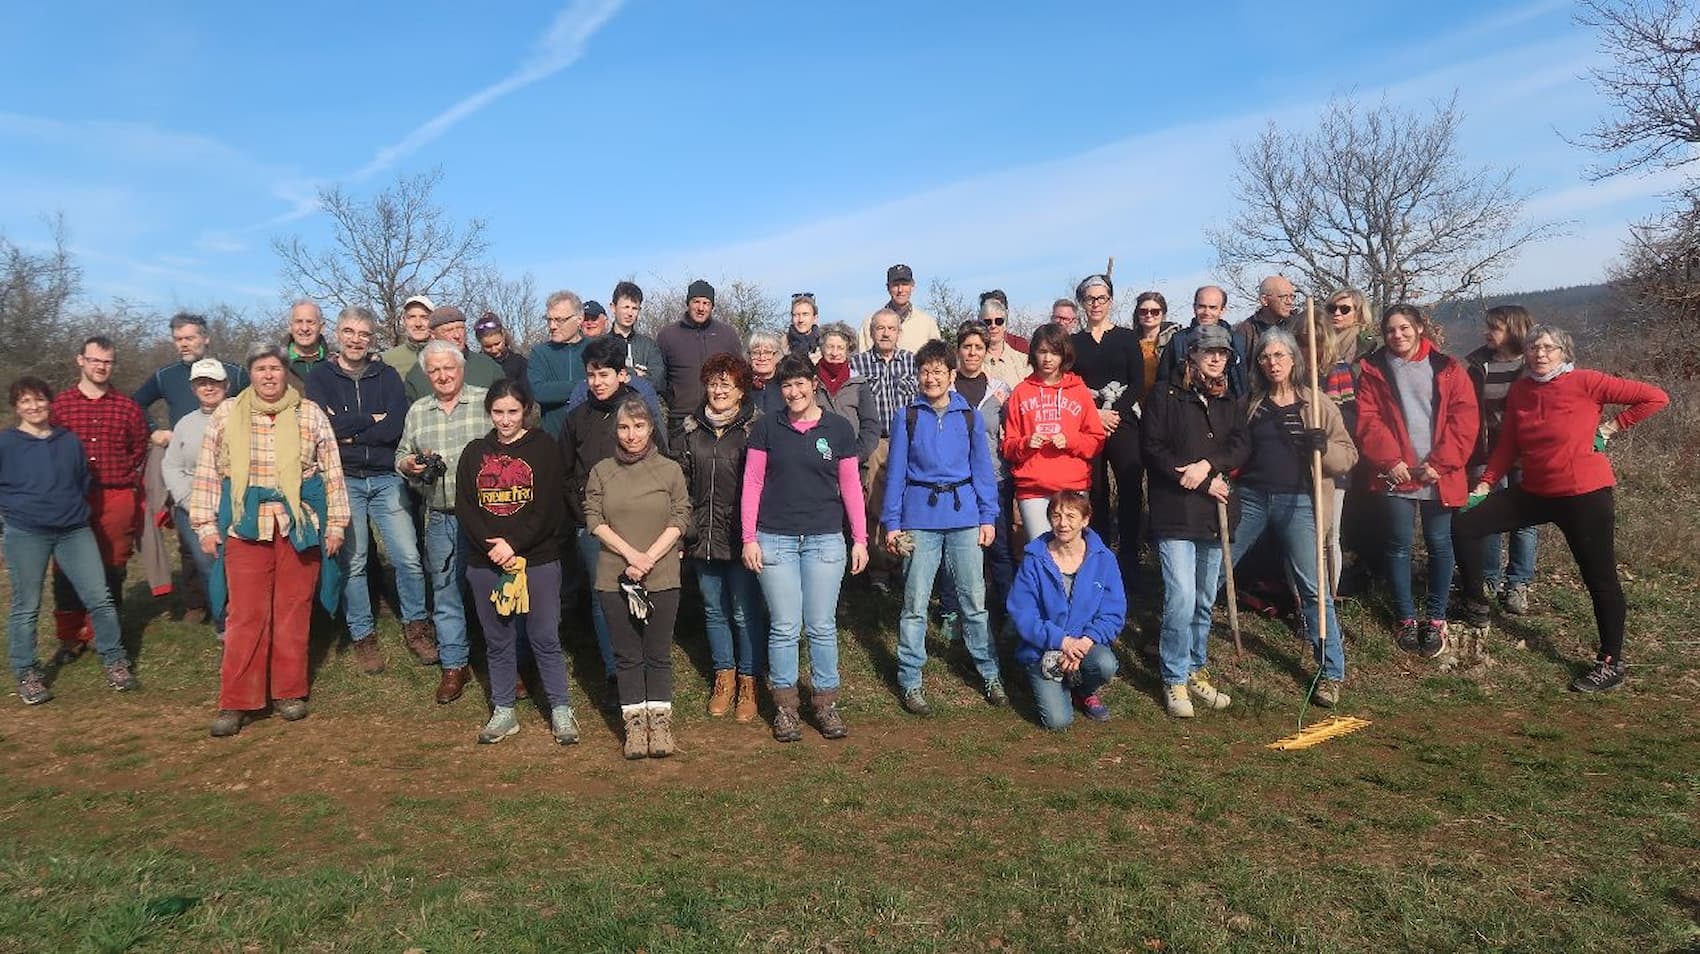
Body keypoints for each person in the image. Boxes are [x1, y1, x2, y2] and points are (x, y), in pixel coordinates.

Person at [1455, 325, 1667, 692]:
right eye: (1535, 347)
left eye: (1549, 348)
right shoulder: (1521, 390)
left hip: (1584, 495)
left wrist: (1612, 427)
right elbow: (1507, 444)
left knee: (1599, 578)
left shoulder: (1587, 381)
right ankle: (1476, 604)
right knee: (1465, 525)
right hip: (1534, 491)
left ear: (1564, 353)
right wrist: (1487, 482)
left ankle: (1610, 663)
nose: (1540, 354)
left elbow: (1655, 397)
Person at [191, 344, 350, 737]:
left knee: (294, 610)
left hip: (298, 523)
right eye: (261, 369)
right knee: (246, 614)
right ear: (251, 373)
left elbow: (331, 471)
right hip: (246, 525)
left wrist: (336, 525)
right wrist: (205, 525)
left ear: (285, 373)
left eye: (275, 368)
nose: (268, 376)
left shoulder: (308, 413)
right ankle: (237, 700)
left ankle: (288, 692)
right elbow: (209, 471)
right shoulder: (228, 413)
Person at [742, 354, 870, 743]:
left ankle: (825, 703)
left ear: (813, 384)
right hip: (775, 538)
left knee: (821, 625)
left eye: (800, 383)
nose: (794, 392)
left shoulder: (839, 429)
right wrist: (749, 538)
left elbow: (850, 486)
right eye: (786, 385)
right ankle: (785, 707)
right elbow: (752, 483)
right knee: (784, 626)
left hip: (825, 539)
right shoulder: (766, 428)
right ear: (779, 390)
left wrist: (860, 539)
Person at [1228, 329, 1359, 707]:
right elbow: (1231, 449)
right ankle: (1187, 659)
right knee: (1216, 571)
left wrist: (1325, 447)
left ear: (1293, 360)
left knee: (1313, 588)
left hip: (1300, 500)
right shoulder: (1248, 405)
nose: (1272, 363)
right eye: (1266, 357)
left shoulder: (1316, 405)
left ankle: (1331, 673)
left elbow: (1348, 455)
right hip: (1251, 499)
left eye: (1279, 356)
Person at [306, 306, 432, 674]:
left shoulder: (388, 376)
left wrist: (348, 429)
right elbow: (323, 428)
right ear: (338, 333)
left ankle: (416, 626)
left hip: (385, 476)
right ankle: (363, 635)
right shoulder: (320, 378)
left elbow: (394, 427)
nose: (356, 339)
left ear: (371, 337)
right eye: (349, 332)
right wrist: (365, 421)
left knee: (408, 557)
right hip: (343, 477)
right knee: (355, 561)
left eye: (363, 334)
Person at [883, 340, 1005, 714]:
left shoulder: (968, 415)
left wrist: (988, 516)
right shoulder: (908, 417)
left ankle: (988, 671)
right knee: (915, 604)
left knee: (974, 601)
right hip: (920, 517)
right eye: (925, 371)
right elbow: (896, 474)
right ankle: (910, 679)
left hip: (964, 515)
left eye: (938, 371)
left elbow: (983, 470)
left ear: (952, 375)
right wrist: (891, 523)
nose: (931, 377)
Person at [455, 379, 579, 744]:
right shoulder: (475, 451)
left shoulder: (543, 447)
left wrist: (514, 544)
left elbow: (548, 508)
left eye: (512, 411)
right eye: (498, 412)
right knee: (498, 638)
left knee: (544, 635)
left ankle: (560, 709)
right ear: (488, 412)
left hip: (536, 558)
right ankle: (504, 710)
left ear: (525, 410)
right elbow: (466, 506)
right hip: (486, 561)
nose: (505, 420)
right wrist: (493, 546)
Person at [3, 377, 139, 704]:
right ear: (16, 407)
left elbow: (81, 479)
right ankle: (27, 672)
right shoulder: (7, 443)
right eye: (25, 402)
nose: (34, 407)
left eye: (39, 400)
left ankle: (115, 660)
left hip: (73, 530)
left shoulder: (68, 441)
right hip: (26, 532)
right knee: (26, 605)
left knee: (100, 598)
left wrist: (69, 508)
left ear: (50, 403)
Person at [1354, 304, 1479, 658]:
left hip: (1437, 474)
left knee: (1440, 543)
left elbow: (1464, 419)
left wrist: (1442, 463)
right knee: (1398, 544)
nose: (1398, 335)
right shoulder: (1374, 369)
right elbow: (1368, 419)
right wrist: (1389, 459)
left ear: (1420, 328)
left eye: (1405, 328)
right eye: (1391, 330)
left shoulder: (1448, 368)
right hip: (1396, 473)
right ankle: (1405, 616)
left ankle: (1436, 617)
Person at [1143, 323, 1247, 718]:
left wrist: (1209, 465)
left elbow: (1240, 445)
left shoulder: (1229, 401)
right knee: (1182, 597)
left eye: (1222, 353)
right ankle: (1173, 678)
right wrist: (1198, 479)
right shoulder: (1167, 397)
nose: (1217, 358)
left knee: (1204, 599)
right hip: (1176, 511)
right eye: (1209, 352)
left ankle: (1194, 668)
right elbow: (1153, 448)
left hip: (1214, 514)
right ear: (1192, 356)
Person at [584, 397, 691, 759]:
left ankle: (659, 724)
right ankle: (634, 726)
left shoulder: (669, 470)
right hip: (615, 576)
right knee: (627, 655)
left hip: (661, 575)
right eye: (625, 427)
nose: (632, 435)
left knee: (658, 653)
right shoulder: (601, 471)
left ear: (651, 428)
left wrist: (648, 559)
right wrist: (631, 557)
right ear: (616, 430)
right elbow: (594, 519)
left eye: (639, 426)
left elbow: (680, 518)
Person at [134, 313, 250, 624]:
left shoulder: (235, 373)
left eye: (190, 337)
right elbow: (136, 403)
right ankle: (198, 603)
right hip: (187, 467)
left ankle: (238, 609)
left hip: (231, 474)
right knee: (193, 546)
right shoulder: (166, 375)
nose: (184, 343)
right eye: (179, 339)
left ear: (205, 338)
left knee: (234, 547)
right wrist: (153, 429)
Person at [396, 341, 490, 704]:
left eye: (448, 368)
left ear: (461, 367)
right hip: (440, 516)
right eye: (434, 370)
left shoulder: (484, 402)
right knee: (447, 593)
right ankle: (455, 664)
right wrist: (409, 465)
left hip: (485, 517)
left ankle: (508, 664)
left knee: (495, 590)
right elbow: (402, 454)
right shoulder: (419, 410)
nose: (442, 375)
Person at [560, 336, 652, 700]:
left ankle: (644, 663)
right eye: (591, 375)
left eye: (604, 374)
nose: (597, 382)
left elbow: (658, 467)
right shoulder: (576, 419)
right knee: (605, 599)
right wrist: (582, 516)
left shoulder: (637, 415)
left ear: (622, 375)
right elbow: (564, 473)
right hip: (593, 526)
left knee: (639, 592)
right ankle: (616, 672)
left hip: (638, 523)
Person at [676, 353, 767, 722]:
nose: (717, 391)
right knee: (714, 611)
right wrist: (684, 532)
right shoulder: (690, 430)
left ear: (741, 391)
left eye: (725, 385)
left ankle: (748, 681)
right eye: (713, 384)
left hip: (740, 536)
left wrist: (754, 534)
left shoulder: (754, 430)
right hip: (702, 535)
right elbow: (680, 484)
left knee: (745, 613)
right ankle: (723, 677)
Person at [48, 336, 148, 664]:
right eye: (94, 360)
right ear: (80, 360)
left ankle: (101, 629)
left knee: (113, 563)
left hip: (115, 493)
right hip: (70, 495)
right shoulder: (60, 406)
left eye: (107, 362)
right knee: (65, 565)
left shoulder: (127, 407)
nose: (100, 367)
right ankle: (70, 634)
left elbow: (137, 449)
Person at [1006, 491, 1124, 729]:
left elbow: (1113, 612)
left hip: (1083, 645)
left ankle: (1083, 689)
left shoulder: (1104, 559)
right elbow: (1023, 614)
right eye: (1056, 516)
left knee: (1105, 664)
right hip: (1043, 647)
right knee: (1058, 722)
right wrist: (1062, 641)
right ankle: (1042, 678)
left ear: (1085, 520)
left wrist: (1085, 642)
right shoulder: (1034, 559)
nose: (1063, 523)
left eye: (1071, 516)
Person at [1301, 287, 1379, 591]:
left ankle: (1333, 593)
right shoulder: (1303, 364)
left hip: (1345, 447)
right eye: (1332, 308)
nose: (1337, 314)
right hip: (1308, 450)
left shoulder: (1365, 350)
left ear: (1359, 312)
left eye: (1344, 309)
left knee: (1335, 527)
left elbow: (1351, 412)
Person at [1464, 304, 1538, 615]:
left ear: (1513, 330)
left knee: (1525, 519)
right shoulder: (1479, 365)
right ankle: (1489, 578)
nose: (1487, 333)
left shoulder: (1533, 364)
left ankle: (1518, 583)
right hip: (1487, 449)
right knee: (1488, 515)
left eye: (1494, 328)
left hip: (1526, 452)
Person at [1001, 323, 1105, 543]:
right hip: (1033, 491)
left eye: (1054, 352)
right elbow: (1008, 447)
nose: (1048, 359)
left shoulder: (1079, 391)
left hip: (1072, 487)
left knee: (1071, 551)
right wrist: (1026, 443)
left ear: (1064, 354)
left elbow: (1096, 441)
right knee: (1041, 555)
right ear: (1034, 354)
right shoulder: (1021, 392)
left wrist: (1070, 440)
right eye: (1042, 351)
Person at [944, 322, 1016, 628]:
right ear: (958, 350)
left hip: (993, 478)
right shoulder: (945, 388)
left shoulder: (1000, 390)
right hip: (953, 481)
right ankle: (950, 610)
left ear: (987, 351)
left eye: (978, 347)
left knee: (998, 547)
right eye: (966, 346)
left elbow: (1010, 432)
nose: (972, 353)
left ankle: (1010, 610)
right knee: (954, 548)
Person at [1071, 273, 1144, 551]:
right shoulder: (1075, 343)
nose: (1096, 304)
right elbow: (1073, 386)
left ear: (1110, 301)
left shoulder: (1125, 337)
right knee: (1096, 491)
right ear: (1083, 303)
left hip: (1122, 421)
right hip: (1088, 422)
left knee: (1130, 486)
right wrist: (1095, 414)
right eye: (1090, 299)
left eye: (1101, 298)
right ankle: (1098, 553)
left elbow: (1137, 381)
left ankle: (1129, 556)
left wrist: (1115, 412)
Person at [161, 359, 231, 641]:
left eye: (214, 382)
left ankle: (249, 617)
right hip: (195, 506)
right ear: (193, 388)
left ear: (226, 385)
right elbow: (171, 465)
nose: (208, 387)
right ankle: (224, 623)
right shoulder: (185, 424)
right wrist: (189, 500)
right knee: (209, 563)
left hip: (234, 502)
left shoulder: (241, 413)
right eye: (202, 383)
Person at [851, 307, 919, 589]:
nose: (886, 333)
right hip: (877, 440)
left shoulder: (913, 362)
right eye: (880, 328)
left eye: (891, 328)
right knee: (876, 502)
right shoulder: (858, 365)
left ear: (899, 332)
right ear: (871, 332)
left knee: (909, 501)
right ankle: (880, 568)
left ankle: (907, 563)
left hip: (910, 439)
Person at [656, 279, 744, 444]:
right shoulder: (667, 336)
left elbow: (740, 375)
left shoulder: (728, 335)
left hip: (721, 419)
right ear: (688, 303)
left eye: (706, 303)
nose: (701, 308)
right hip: (681, 419)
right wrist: (675, 398)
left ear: (712, 306)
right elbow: (661, 378)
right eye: (696, 302)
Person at [1158, 286, 1248, 398]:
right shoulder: (1178, 341)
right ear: (1194, 307)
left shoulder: (1237, 341)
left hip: (1228, 408)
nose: (1206, 312)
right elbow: (1163, 380)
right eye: (1202, 306)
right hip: (1186, 407)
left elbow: (1243, 381)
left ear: (1222, 310)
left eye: (1213, 307)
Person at [403, 305, 504, 401]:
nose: (457, 335)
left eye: (460, 328)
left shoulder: (488, 368)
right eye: (448, 330)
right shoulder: (418, 374)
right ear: (433, 335)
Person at [527, 290, 591, 437]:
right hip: (553, 440)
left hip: (590, 440)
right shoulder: (540, 353)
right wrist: (584, 385)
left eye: (559, 320)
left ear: (579, 319)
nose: (552, 326)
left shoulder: (595, 350)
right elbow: (539, 392)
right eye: (549, 320)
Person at [814, 322, 879, 464]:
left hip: (852, 458)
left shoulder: (859, 383)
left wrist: (858, 455)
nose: (835, 353)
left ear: (847, 350)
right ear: (822, 348)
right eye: (830, 347)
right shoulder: (811, 381)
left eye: (840, 348)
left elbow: (871, 424)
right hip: (816, 459)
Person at [858, 264, 941, 353]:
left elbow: (937, 359)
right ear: (888, 287)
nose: (900, 290)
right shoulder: (870, 322)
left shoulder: (927, 323)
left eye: (905, 284)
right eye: (895, 285)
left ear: (912, 286)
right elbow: (862, 360)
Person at [609, 282, 667, 382]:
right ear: (613, 307)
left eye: (634, 308)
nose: (630, 313)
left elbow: (658, 381)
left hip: (642, 397)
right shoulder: (602, 345)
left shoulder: (649, 346)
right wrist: (637, 374)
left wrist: (628, 375)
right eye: (626, 307)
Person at [1132, 291, 1180, 403]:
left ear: (1163, 314)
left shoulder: (1174, 341)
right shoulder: (1129, 341)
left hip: (1165, 403)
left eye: (1155, 312)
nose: (1149, 315)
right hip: (1136, 405)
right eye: (1143, 311)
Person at [1234, 275, 1297, 361]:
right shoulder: (1246, 331)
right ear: (1264, 300)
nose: (1289, 302)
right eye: (1283, 297)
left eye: (1292, 297)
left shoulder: (1298, 326)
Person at [381, 295, 436, 380]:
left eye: (424, 317)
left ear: (433, 321)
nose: (418, 324)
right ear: (404, 321)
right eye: (412, 317)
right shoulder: (387, 359)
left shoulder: (448, 355)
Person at [978, 295, 1029, 388]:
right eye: (988, 322)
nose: (993, 326)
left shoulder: (1024, 362)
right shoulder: (972, 361)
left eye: (998, 321)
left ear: (1005, 324)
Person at [284, 299, 332, 386]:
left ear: (322, 327)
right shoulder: (277, 364)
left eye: (310, 322)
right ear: (290, 327)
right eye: (299, 322)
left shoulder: (335, 364)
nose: (304, 328)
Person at [474, 312, 528, 383]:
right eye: (488, 346)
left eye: (497, 344)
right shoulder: (475, 366)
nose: (494, 350)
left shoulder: (520, 364)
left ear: (503, 335)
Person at [745, 328, 787, 416]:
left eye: (767, 352)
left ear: (777, 355)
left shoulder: (785, 383)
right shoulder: (742, 385)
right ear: (749, 356)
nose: (762, 358)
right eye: (756, 353)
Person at [786, 292, 822, 359]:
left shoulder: (824, 346)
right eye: (796, 315)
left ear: (815, 318)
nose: (800, 320)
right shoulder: (782, 347)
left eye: (805, 314)